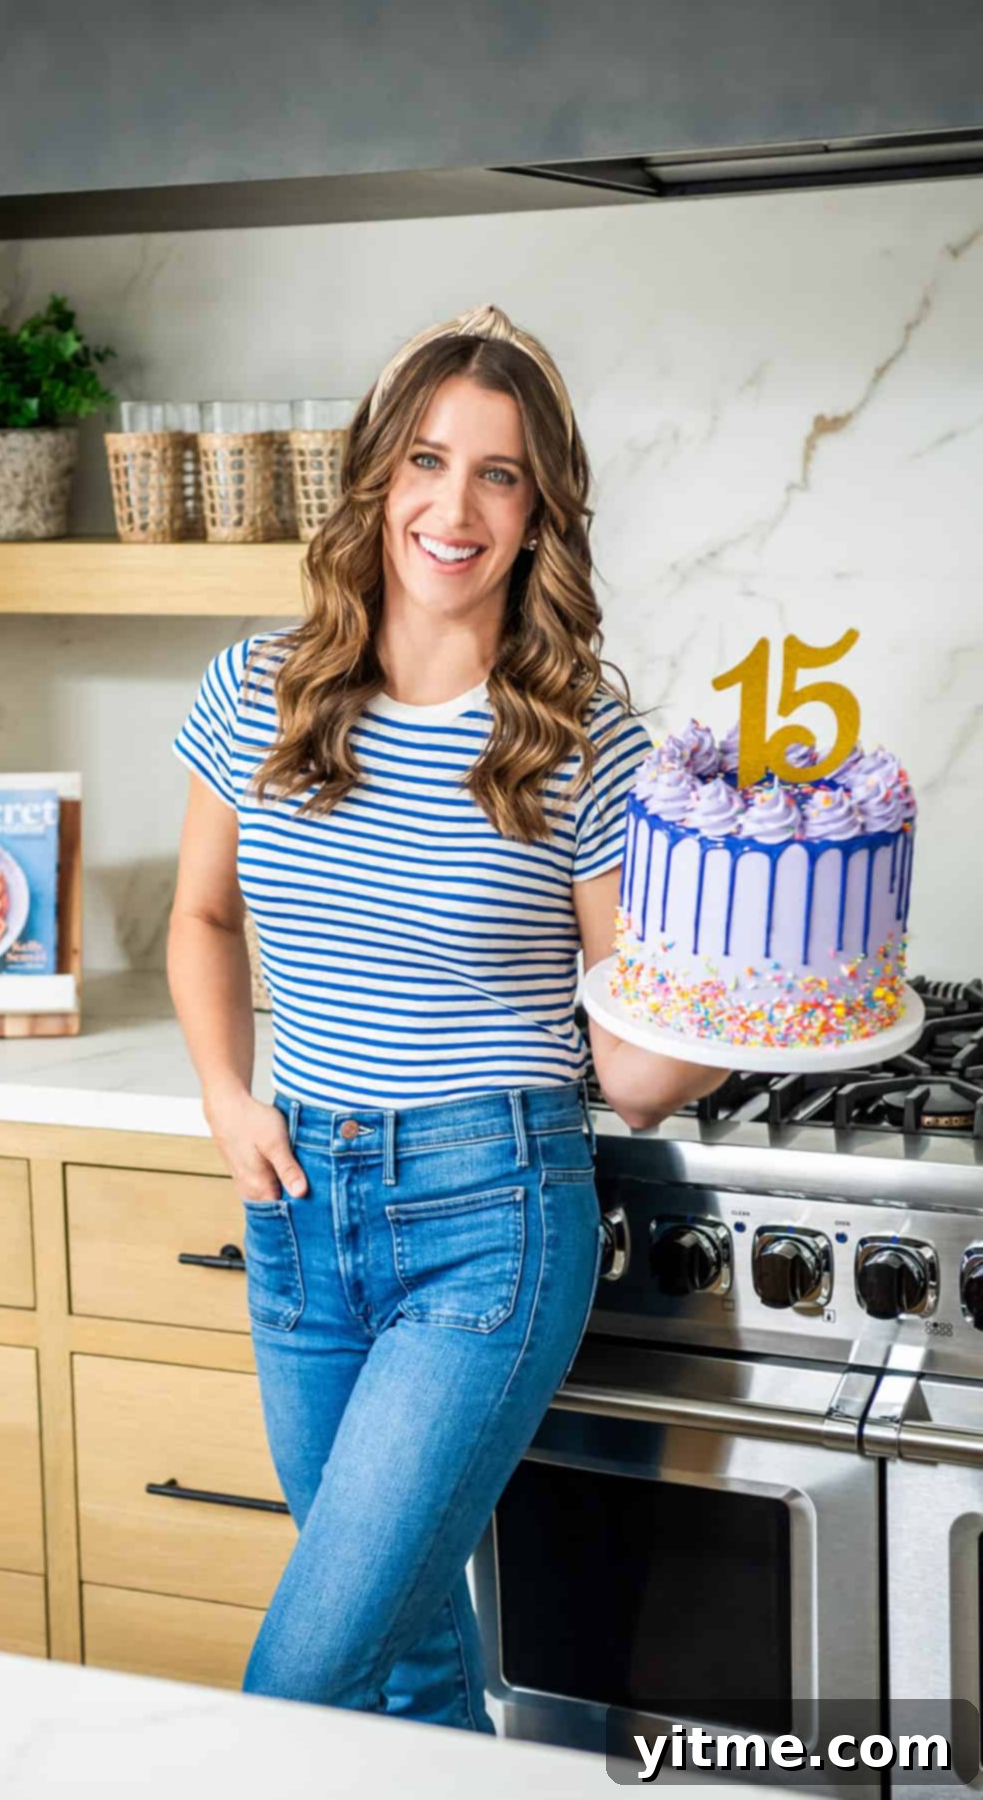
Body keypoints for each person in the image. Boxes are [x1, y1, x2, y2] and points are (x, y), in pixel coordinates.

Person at [166, 303, 731, 1733]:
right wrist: (228, 1094)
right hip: (301, 1211)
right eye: (427, 460)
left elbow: (638, 1062)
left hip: (492, 1219)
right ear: (377, 480)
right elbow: (203, 918)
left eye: (500, 472)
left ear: (541, 512)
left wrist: (751, 1003)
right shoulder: (259, 689)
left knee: (300, 1679)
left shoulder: (579, 733)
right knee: (408, 1659)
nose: (454, 504)